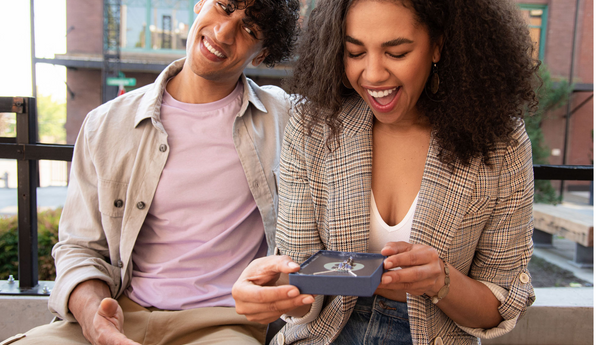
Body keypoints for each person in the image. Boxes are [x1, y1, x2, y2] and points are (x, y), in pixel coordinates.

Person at [232, 0, 539, 344]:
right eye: (355, 52)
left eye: (396, 53)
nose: (373, 74)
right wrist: (269, 292)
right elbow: (303, 286)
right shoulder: (311, 128)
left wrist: (442, 281)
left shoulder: (500, 144)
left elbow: (502, 306)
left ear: (437, 46)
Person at [2, 1, 299, 345]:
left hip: (223, 324)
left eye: (250, 29)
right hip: (121, 311)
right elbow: (80, 248)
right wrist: (95, 320)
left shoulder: (286, 119)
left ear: (262, 54)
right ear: (200, 3)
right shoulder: (106, 123)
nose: (223, 32)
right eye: (224, 7)